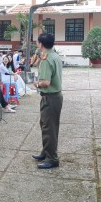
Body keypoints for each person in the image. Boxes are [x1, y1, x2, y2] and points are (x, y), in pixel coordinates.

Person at [32, 33, 63, 169]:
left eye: (37, 43)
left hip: (50, 97)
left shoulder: (46, 59)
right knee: (46, 125)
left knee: (49, 128)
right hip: (55, 97)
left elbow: (45, 82)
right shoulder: (54, 55)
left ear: (41, 44)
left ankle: (52, 159)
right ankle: (46, 152)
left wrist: (36, 84)